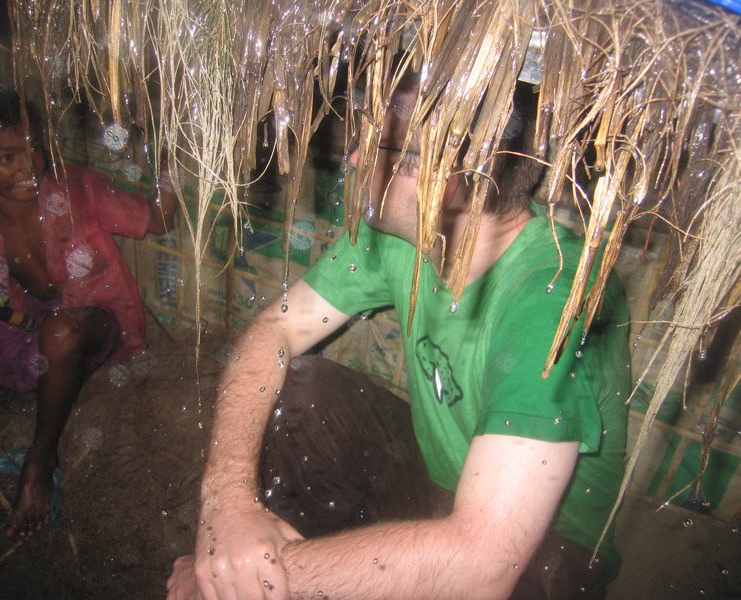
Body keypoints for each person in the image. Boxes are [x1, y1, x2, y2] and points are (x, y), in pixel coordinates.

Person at [166, 77, 630, 599]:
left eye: (383, 142)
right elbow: (276, 328)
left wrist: (247, 577)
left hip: (543, 549)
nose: (359, 154)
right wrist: (226, 507)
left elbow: (483, 564)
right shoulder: (402, 236)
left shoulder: (556, 302)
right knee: (303, 390)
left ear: (451, 175)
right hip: (438, 490)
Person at [0, 89, 178, 538]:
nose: (29, 165)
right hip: (22, 326)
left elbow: (158, 221)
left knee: (61, 332)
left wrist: (172, 163)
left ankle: (39, 460)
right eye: (6, 157)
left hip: (92, 321)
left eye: (33, 148)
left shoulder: (76, 189)